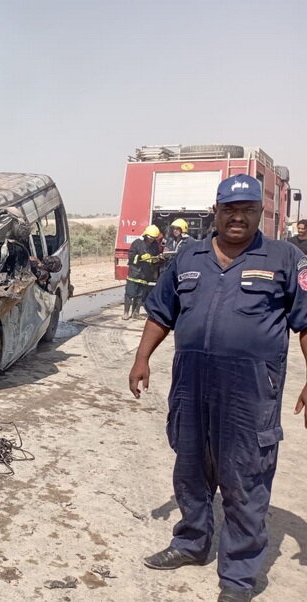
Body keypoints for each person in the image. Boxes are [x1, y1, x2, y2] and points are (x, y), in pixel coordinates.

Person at [128, 174, 307, 602]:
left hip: (251, 390)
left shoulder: (285, 257)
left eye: (247, 209)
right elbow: (160, 313)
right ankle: (191, 542)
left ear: (259, 214)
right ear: (217, 211)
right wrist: (141, 358)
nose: (238, 217)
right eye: (230, 209)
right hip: (191, 383)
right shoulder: (188, 255)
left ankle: (238, 578)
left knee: (245, 477)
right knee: (190, 467)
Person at [123, 225, 161, 320]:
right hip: (134, 273)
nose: (151, 240)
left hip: (145, 274)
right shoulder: (137, 243)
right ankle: (126, 313)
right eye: (150, 238)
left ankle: (136, 313)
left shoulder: (155, 245)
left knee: (140, 295)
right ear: (145, 235)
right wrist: (140, 257)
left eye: (153, 238)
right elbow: (131, 256)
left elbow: (155, 256)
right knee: (130, 293)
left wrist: (155, 260)